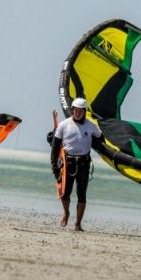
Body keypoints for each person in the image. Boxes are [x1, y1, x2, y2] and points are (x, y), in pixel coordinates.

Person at [50, 97, 102, 230]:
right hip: (68, 164)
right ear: (72, 110)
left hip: (84, 164)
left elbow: (101, 138)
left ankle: (78, 224)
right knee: (65, 194)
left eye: (80, 111)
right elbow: (55, 149)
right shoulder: (63, 125)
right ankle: (66, 212)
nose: (78, 113)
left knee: (82, 194)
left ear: (84, 111)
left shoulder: (91, 126)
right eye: (75, 110)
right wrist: (55, 168)